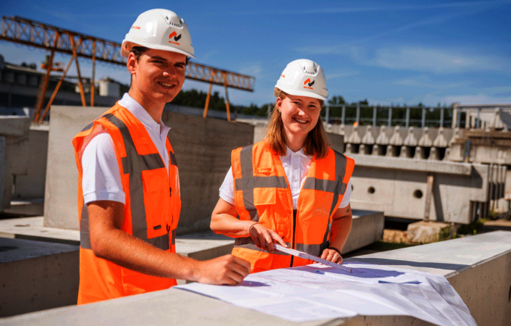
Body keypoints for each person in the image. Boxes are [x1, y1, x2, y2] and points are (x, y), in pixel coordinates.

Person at [72, 9, 249, 305]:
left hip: (156, 301)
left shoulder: (160, 142)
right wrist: (197, 269)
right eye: (159, 62)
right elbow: (103, 239)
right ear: (132, 62)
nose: (171, 74)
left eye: (179, 65)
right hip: (113, 305)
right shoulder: (107, 138)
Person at [211, 59, 355, 273]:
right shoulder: (246, 160)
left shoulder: (337, 166)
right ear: (279, 104)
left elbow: (343, 216)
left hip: (312, 277)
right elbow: (218, 220)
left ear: (319, 110)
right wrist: (251, 227)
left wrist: (335, 247)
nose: (304, 113)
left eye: (312, 105)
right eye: (296, 102)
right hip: (254, 278)